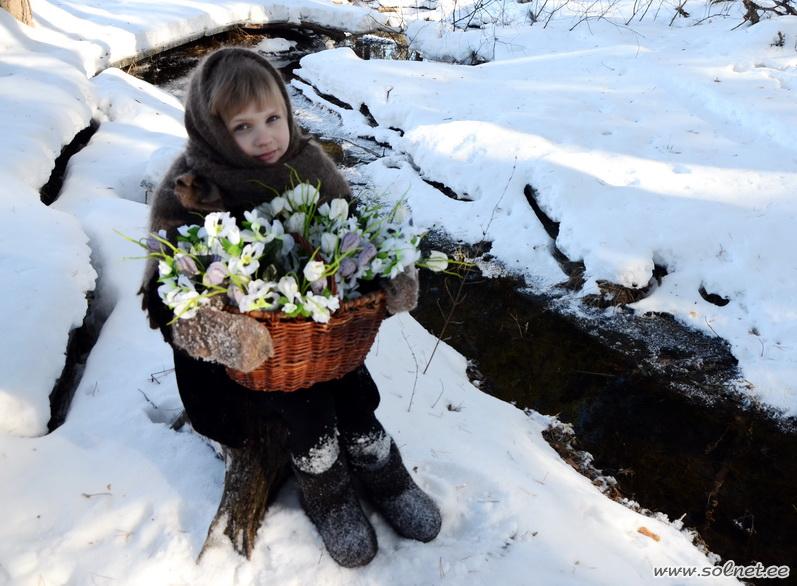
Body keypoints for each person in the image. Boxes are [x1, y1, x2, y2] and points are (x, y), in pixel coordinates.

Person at [139, 47, 441, 567]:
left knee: (348, 389)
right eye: (243, 126)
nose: (265, 136)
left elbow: (354, 233)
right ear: (213, 131)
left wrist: (389, 274)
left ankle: (380, 465)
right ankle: (326, 490)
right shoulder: (191, 186)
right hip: (239, 364)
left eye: (273, 117)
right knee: (303, 405)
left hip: (316, 339)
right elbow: (166, 292)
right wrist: (220, 332)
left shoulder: (307, 164)